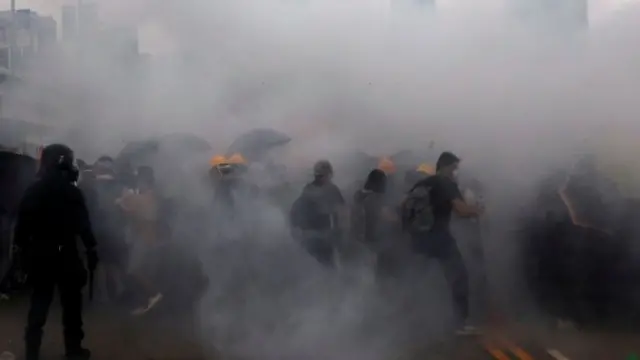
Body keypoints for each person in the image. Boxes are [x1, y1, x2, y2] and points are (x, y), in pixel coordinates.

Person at [14, 144, 98, 360]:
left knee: (39, 305)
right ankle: (73, 350)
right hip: (67, 254)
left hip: (40, 254)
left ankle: (32, 352)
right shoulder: (73, 192)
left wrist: (20, 250)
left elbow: (22, 225)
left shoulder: (34, 190)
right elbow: (84, 226)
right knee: (72, 307)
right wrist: (91, 249)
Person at [402, 151, 483, 335]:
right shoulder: (446, 183)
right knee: (459, 277)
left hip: (418, 239)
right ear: (446, 167)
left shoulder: (423, 183)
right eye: (454, 168)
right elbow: (462, 211)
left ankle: (407, 321)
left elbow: (404, 206)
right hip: (440, 238)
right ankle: (460, 325)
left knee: (414, 280)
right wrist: (479, 210)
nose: (456, 172)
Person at [117, 166, 163, 315]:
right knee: (144, 269)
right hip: (148, 237)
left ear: (145, 181)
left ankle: (155, 294)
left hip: (145, 238)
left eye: (140, 180)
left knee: (134, 269)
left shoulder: (145, 197)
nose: (138, 184)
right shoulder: (151, 195)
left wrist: (122, 201)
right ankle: (148, 301)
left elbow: (130, 210)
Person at [84, 156, 128, 304]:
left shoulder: (89, 184)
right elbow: (124, 209)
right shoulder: (120, 186)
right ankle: (116, 296)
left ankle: (98, 296)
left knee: (99, 265)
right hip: (113, 229)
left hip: (96, 229)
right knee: (113, 264)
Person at [290, 160, 346, 268]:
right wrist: (342, 238)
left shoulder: (307, 190)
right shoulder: (331, 190)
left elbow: (294, 214)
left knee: (313, 270)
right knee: (328, 269)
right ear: (328, 175)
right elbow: (342, 213)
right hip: (324, 237)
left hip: (308, 238)